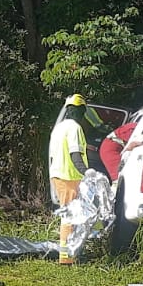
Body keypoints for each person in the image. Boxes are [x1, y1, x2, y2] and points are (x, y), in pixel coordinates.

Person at [48, 94, 92, 265]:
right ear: (81, 112)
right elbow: (75, 156)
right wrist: (88, 173)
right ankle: (66, 258)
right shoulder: (74, 128)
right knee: (69, 218)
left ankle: (70, 255)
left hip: (59, 175)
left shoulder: (58, 128)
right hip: (69, 177)